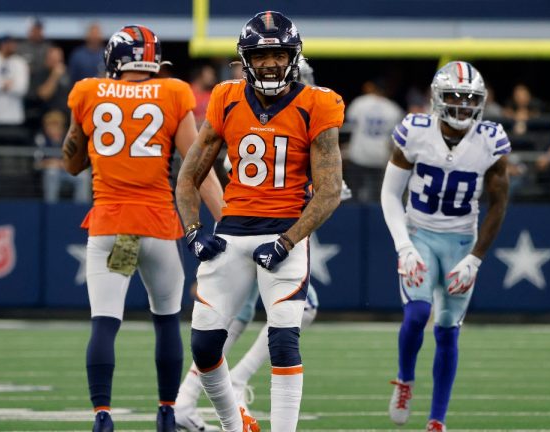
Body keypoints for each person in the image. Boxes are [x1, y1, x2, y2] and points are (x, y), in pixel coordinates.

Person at [175, 11, 344, 432]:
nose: (271, 62)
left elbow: (329, 191)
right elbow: (188, 176)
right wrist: (194, 233)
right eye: (262, 53)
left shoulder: (318, 104)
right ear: (246, 58)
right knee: (203, 345)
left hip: (284, 229)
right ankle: (235, 425)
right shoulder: (226, 97)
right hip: (231, 231)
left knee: (284, 340)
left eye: (279, 53)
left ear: (294, 56)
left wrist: (287, 242)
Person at [61, 25, 224, 432]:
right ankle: (167, 412)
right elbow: (197, 167)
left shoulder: (88, 92)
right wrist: (225, 219)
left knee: (104, 322)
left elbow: (71, 162)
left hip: (109, 224)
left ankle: (103, 416)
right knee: (167, 320)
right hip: (157, 225)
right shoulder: (172, 92)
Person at [381, 61, 510, 432]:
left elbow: (500, 202)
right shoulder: (415, 131)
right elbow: (390, 193)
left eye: (469, 98)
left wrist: (476, 259)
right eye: (453, 96)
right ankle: (405, 380)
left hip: (460, 240)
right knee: (418, 314)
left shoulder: (490, 139)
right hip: (420, 233)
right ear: (437, 98)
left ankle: (437, 419)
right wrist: (404, 246)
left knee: (448, 328)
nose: (461, 104)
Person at [344, 80, 404, 202]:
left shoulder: (360, 102)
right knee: (375, 198)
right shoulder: (393, 108)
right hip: (379, 157)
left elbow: (350, 123)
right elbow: (397, 139)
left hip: (358, 155)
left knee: (353, 197)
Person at [35, 110, 89, 203]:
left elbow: (78, 159)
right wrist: (52, 163)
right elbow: (36, 164)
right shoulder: (41, 139)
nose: (54, 129)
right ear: (46, 127)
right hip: (51, 172)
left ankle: (81, 207)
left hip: (67, 171)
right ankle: (51, 205)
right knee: (52, 172)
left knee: (83, 176)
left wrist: (66, 164)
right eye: (51, 126)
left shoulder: (70, 138)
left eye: (57, 126)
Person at [34, 46, 72, 114]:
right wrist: (54, 76)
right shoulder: (40, 74)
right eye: (53, 59)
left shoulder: (68, 73)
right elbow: (44, 95)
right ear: (47, 59)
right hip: (48, 112)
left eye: (58, 60)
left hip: (66, 112)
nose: (56, 62)